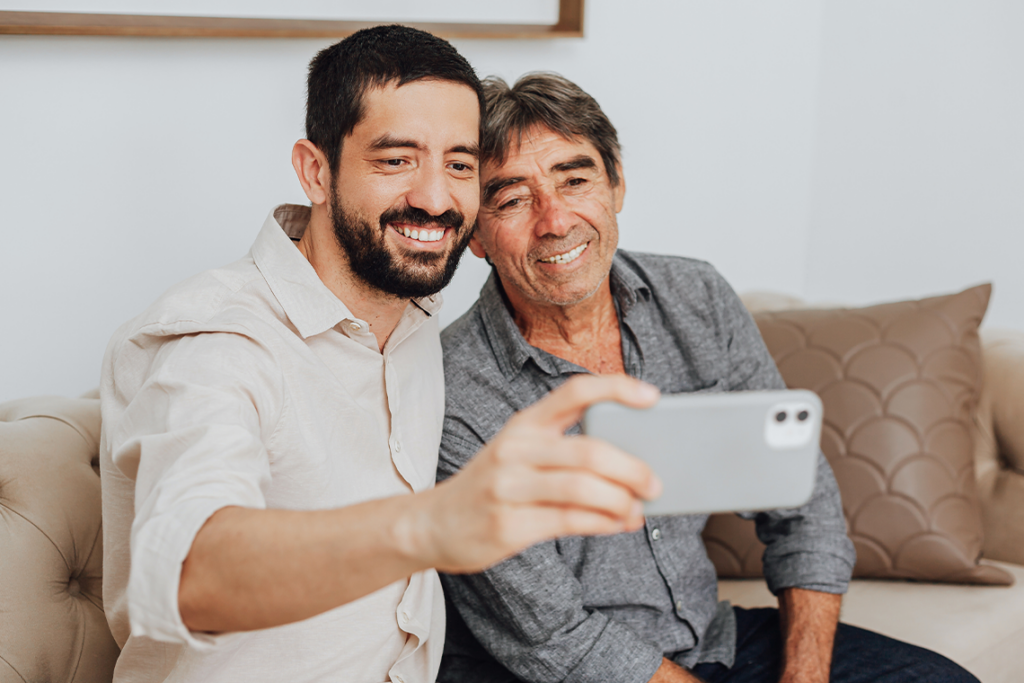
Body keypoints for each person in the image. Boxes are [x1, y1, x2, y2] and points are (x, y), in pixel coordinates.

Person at [99, 29, 663, 683]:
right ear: (316, 170)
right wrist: (435, 524)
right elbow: (189, 573)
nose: (435, 198)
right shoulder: (217, 341)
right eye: (396, 160)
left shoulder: (414, 313)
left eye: (459, 164)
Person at [436, 72, 979, 683]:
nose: (556, 220)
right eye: (512, 200)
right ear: (475, 234)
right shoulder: (454, 389)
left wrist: (804, 676)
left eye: (575, 179)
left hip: (715, 642)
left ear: (616, 185)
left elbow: (804, 502)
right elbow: (553, 639)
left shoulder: (698, 298)